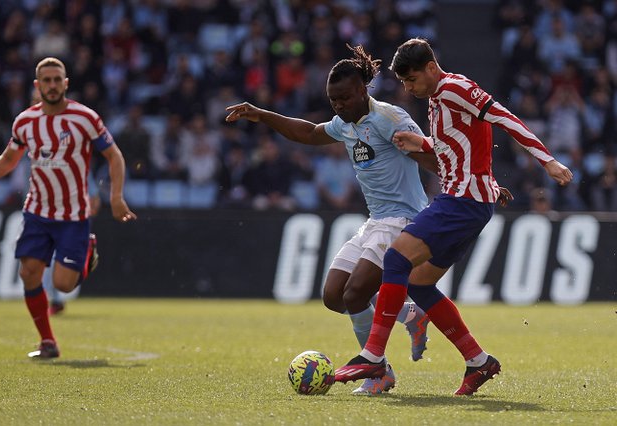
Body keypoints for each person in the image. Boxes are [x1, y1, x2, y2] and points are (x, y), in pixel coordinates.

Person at [334, 38, 573, 396]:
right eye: (404, 82)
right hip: (468, 200)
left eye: (412, 79)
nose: (408, 88)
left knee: (396, 259)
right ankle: (478, 361)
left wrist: (547, 160)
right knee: (418, 284)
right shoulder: (437, 98)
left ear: (431, 67)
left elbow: (503, 117)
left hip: (461, 201)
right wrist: (423, 144)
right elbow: (458, 146)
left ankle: (373, 357)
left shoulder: (455, 88)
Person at [226, 45, 437, 396]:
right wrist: (262, 115)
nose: (338, 106)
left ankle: (379, 372)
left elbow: (430, 156)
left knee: (356, 294)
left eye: (344, 98)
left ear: (362, 91)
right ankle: (409, 315)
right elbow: (309, 133)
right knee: (334, 295)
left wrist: (471, 184)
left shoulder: (389, 118)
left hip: (403, 220)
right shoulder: (345, 124)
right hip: (375, 221)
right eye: (332, 100)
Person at [0, 57, 137, 359]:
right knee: (28, 272)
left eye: (57, 80)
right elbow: (9, 158)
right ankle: (48, 341)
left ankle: (87, 248)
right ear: (37, 85)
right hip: (38, 211)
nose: (52, 85)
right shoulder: (25, 121)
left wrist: (116, 197)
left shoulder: (84, 118)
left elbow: (114, 156)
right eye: (46, 80)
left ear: (66, 83)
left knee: (64, 284)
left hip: (73, 215)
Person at [44, 172, 102, 316]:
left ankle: (54, 300)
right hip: (51, 217)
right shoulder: (44, 167)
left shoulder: (78, 168)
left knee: (56, 262)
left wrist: (85, 220)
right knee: (47, 261)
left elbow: (94, 198)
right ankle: (54, 301)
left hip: (72, 220)